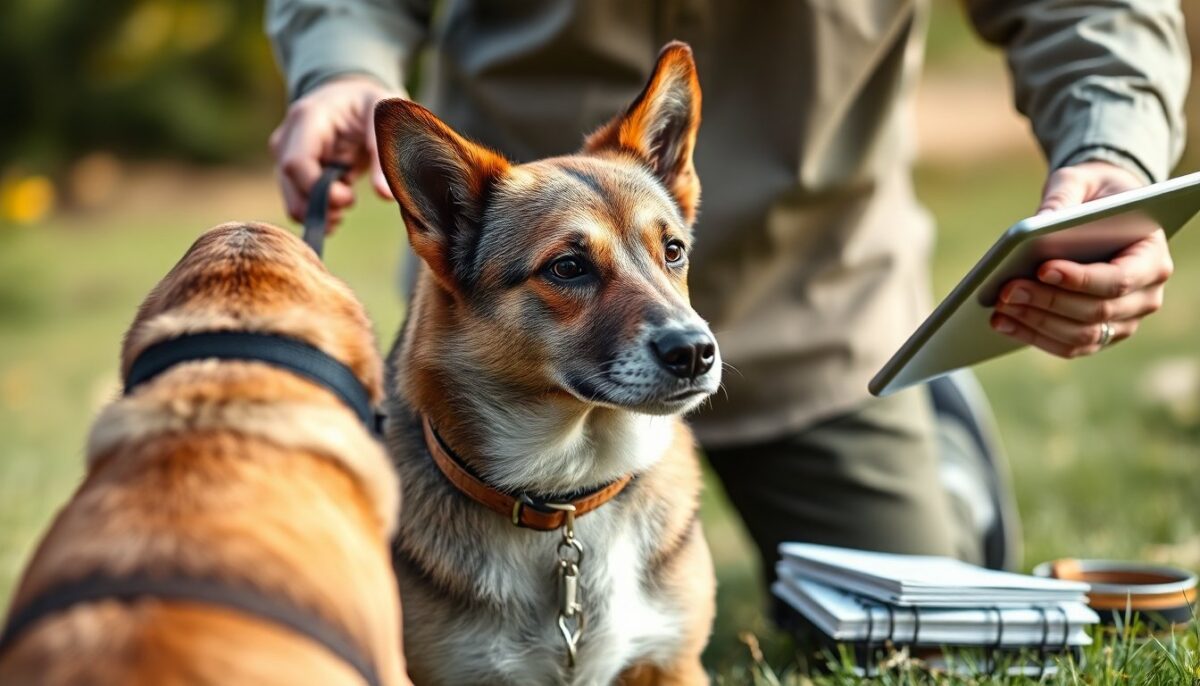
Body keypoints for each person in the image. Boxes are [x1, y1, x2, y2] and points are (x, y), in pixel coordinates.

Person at [265, 1, 1188, 579]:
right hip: (510, 339)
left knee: (923, 608)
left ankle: (929, 416)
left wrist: (1113, 149)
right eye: (575, 267)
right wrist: (340, 57)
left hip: (824, 314)